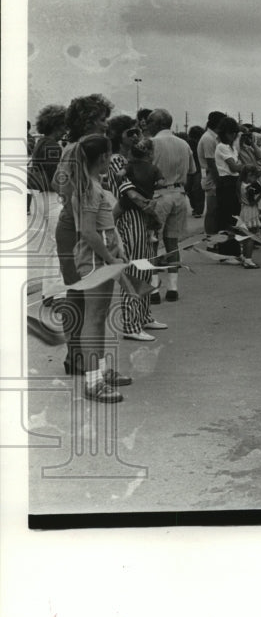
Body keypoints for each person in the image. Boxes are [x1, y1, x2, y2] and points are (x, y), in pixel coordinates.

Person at [64, 134, 132, 402]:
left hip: (103, 257)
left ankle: (101, 371)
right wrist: (110, 258)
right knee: (93, 318)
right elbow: (89, 233)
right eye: (110, 154)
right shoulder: (89, 189)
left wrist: (118, 250)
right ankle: (93, 382)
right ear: (103, 157)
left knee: (100, 315)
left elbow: (105, 227)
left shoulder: (93, 184)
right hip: (95, 260)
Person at [53, 94, 113, 375]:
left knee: (81, 294)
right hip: (74, 227)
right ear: (89, 120)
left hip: (78, 224)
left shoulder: (81, 148)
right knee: (78, 293)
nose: (106, 124)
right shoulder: (76, 149)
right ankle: (76, 356)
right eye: (102, 119)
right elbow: (60, 184)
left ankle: (81, 358)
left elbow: (59, 182)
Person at [107, 120, 166, 342]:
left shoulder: (131, 161)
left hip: (140, 218)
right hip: (129, 219)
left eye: (137, 132)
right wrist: (150, 208)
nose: (135, 136)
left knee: (145, 267)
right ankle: (131, 324)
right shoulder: (116, 161)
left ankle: (143, 316)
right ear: (117, 136)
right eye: (130, 132)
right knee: (134, 270)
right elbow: (129, 192)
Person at [147, 108, 196, 302]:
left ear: (156, 124)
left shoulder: (151, 143)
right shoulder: (184, 144)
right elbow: (192, 171)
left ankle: (153, 289)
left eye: (149, 123)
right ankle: (173, 288)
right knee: (172, 242)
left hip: (158, 194)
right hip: (179, 194)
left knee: (152, 242)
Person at [27, 104, 67, 282]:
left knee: (51, 245)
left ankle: (49, 291)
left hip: (39, 197)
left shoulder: (40, 142)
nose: (65, 130)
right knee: (61, 245)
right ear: (56, 125)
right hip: (52, 198)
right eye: (63, 126)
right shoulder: (52, 146)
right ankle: (58, 293)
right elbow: (57, 179)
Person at [213, 117, 257, 268]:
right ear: (225, 133)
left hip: (234, 183)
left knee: (235, 218)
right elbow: (233, 167)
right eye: (232, 134)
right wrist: (248, 167)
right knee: (227, 219)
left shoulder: (232, 148)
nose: (234, 137)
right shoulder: (222, 147)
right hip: (226, 183)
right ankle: (226, 253)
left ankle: (234, 251)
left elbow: (238, 166)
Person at [198, 111, 225, 235]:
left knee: (218, 210)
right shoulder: (208, 138)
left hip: (216, 175)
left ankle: (215, 237)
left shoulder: (215, 137)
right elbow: (211, 163)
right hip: (212, 177)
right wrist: (219, 182)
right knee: (212, 210)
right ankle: (210, 239)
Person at [186, 125, 205, 217]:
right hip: (189, 167)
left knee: (197, 189)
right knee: (188, 188)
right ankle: (195, 207)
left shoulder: (202, 143)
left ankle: (198, 210)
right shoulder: (188, 143)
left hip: (199, 167)